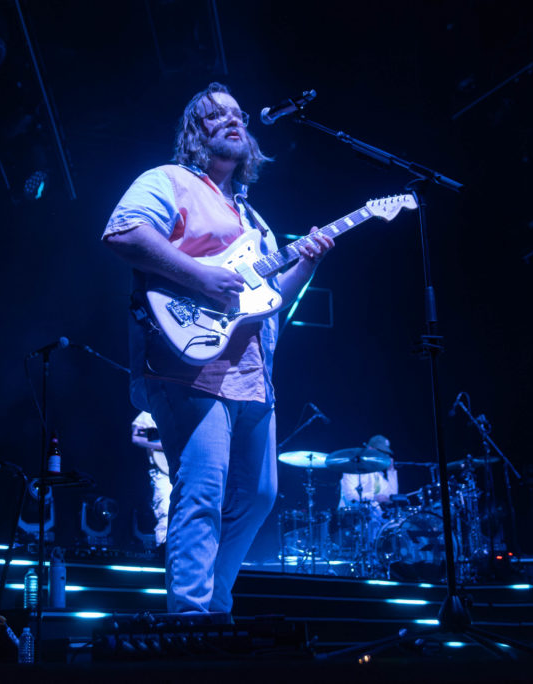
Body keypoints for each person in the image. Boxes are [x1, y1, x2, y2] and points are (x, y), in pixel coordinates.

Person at [102, 83, 334, 616]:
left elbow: (268, 301)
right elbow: (122, 232)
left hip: (252, 374)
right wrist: (200, 277)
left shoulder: (257, 223)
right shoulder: (169, 180)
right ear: (194, 131)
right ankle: (189, 618)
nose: (232, 121)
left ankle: (214, 608)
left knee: (259, 496)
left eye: (238, 115)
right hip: (187, 364)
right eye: (216, 115)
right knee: (202, 491)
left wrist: (308, 263)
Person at [131, 411, 171, 546]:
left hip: (184, 471)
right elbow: (137, 437)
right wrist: (164, 445)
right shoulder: (149, 412)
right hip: (163, 472)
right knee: (166, 512)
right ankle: (164, 550)